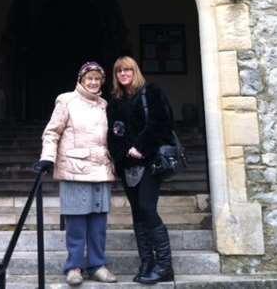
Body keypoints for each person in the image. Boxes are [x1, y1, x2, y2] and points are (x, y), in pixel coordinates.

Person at [34, 61, 117, 286]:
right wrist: (47, 158)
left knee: (98, 225)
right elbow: (52, 132)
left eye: (97, 79)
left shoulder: (104, 104)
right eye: (89, 78)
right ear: (80, 80)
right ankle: (74, 267)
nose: (93, 82)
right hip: (74, 169)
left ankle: (97, 265)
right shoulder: (66, 100)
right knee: (77, 224)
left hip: (101, 170)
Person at [106, 56, 174, 285]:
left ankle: (165, 266)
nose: (123, 74)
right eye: (119, 71)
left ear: (135, 71)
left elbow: (162, 123)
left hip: (149, 162)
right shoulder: (115, 100)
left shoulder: (150, 92)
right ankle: (147, 262)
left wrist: (141, 147)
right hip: (128, 165)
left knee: (147, 208)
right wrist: (124, 153)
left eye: (127, 70)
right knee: (137, 213)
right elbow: (114, 133)